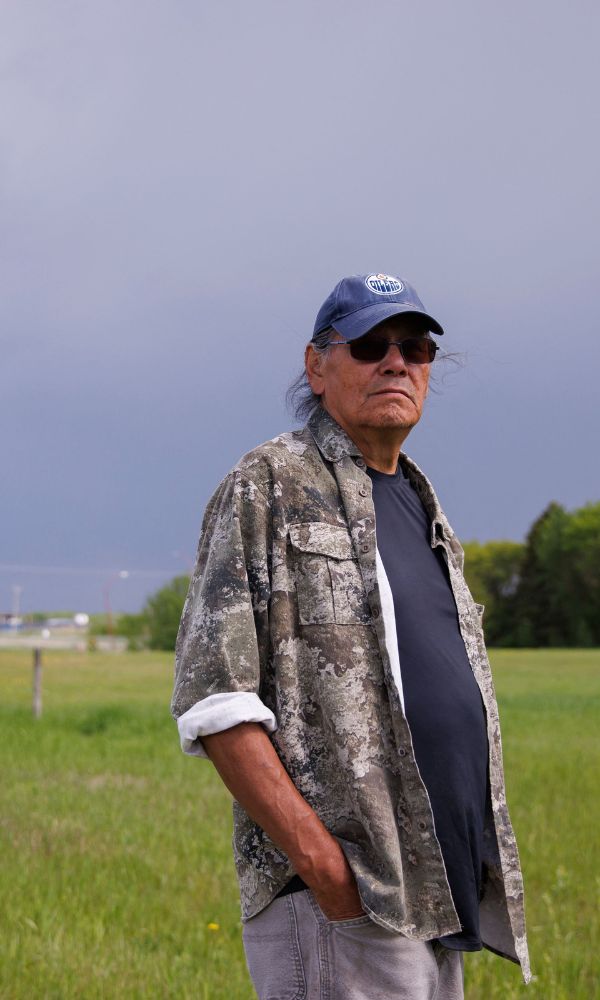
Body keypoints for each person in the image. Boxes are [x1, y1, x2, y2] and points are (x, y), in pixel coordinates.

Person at [171, 273, 531, 999]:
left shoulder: (422, 502)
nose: (396, 362)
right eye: (370, 345)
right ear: (317, 365)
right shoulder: (268, 483)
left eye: (416, 346)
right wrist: (328, 871)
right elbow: (217, 699)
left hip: (437, 892)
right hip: (348, 903)